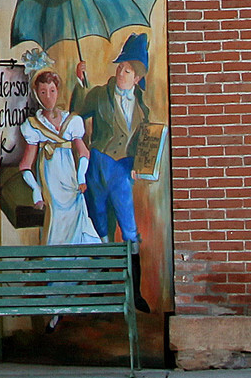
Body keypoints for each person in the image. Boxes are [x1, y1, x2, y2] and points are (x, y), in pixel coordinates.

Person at [71, 33, 152, 269]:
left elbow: (144, 143)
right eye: (120, 67)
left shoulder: (142, 108)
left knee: (128, 228)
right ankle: (104, 278)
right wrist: (80, 82)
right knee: (99, 224)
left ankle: (133, 291)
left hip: (123, 171)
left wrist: (140, 165)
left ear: (137, 78)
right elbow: (76, 114)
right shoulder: (98, 95)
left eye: (127, 71)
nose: (120, 73)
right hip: (97, 166)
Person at [16, 69, 100, 247]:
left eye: (52, 91)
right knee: (56, 222)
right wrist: (36, 190)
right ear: (37, 94)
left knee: (78, 218)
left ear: (58, 91)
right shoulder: (34, 126)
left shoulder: (71, 121)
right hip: (50, 182)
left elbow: (83, 152)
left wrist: (81, 177)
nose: (48, 97)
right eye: (43, 92)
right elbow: (25, 165)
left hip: (71, 181)